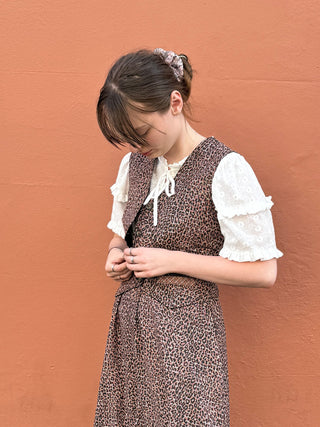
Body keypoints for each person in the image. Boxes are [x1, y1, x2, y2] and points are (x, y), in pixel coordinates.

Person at [93, 48, 283, 427]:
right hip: (131, 338)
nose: (138, 146)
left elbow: (264, 271)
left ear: (174, 103)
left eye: (142, 131)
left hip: (189, 344)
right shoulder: (135, 164)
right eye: (128, 139)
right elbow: (120, 236)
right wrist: (116, 255)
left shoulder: (225, 168)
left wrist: (170, 260)